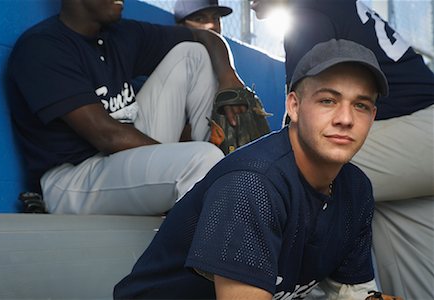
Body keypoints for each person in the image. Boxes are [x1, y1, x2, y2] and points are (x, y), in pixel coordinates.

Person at [114, 39, 389, 299]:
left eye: (360, 105)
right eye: (327, 100)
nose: (345, 119)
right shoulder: (252, 184)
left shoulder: (356, 189)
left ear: (372, 117)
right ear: (294, 106)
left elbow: (351, 293)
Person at [251, 1, 434, 299]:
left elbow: (301, 127)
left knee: (299, 168)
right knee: (415, 264)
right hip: (418, 146)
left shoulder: (306, 14)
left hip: (418, 132)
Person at [6, 0, 250, 216]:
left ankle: (221, 167)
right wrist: (174, 161)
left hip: (122, 158)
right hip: (71, 180)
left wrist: (228, 76)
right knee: (202, 159)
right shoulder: (42, 47)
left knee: (192, 54)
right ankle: (195, 258)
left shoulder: (121, 34)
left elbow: (203, 37)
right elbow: (106, 135)